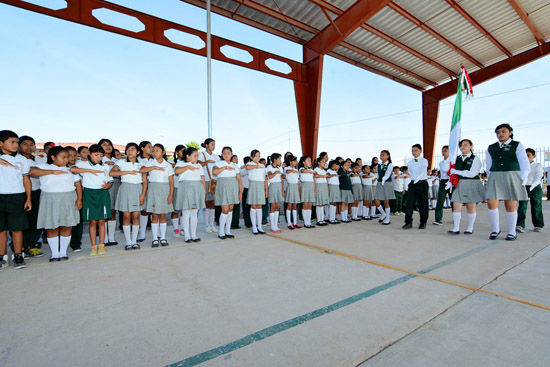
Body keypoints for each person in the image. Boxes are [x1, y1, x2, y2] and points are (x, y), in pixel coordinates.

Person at [30, 146, 81, 261]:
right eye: (63, 157)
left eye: (67, 157)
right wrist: (52, 172)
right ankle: (55, 253)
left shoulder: (70, 170)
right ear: (53, 157)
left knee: (66, 225)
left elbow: (78, 185)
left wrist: (79, 200)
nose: (66, 160)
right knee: (51, 226)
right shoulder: (44, 167)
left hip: (68, 199)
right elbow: (32, 171)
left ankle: (63, 252)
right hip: (50, 200)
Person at [486, 124, 530, 241]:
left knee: (510, 204)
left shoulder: (517, 145)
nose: (500, 134)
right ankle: (496, 229)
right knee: (491, 202)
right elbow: (489, 164)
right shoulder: (491, 147)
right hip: (495, 175)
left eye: (503, 131)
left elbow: (524, 162)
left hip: (512, 175)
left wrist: (523, 178)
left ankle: (512, 231)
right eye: (498, 132)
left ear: (510, 132)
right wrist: (489, 177)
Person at [71, 144, 113, 256]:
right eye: (96, 155)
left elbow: (110, 181)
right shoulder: (82, 164)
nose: (98, 157)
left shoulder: (105, 166)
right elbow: (72, 169)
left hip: (102, 194)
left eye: (100, 155)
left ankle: (102, 245)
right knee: (92, 222)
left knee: (102, 221)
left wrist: (107, 186)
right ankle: (94, 246)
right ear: (90, 153)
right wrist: (89, 170)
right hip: (89, 194)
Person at [0, 130, 31, 269]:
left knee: (16, 229)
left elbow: (26, 179)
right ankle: (2, 256)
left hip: (17, 197)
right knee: (1, 229)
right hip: (1, 196)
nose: (15, 145)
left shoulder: (22, 159)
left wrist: (28, 199)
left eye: (16, 142)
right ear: (1, 143)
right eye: (11, 142)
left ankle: (18, 255)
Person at [110, 143, 146, 251]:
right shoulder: (120, 162)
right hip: (125, 188)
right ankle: (128, 242)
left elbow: (145, 181)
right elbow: (112, 173)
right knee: (126, 216)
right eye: (128, 149)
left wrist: (143, 195)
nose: (130, 151)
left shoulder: (142, 163)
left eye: (133, 149)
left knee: (135, 216)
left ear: (138, 152)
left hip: (137, 190)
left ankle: (134, 241)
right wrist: (128, 172)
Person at [447, 139, 485, 235]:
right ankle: (456, 228)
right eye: (461, 145)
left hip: (471, 183)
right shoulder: (457, 158)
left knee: (470, 206)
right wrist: (450, 181)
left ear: (471, 146)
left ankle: (470, 227)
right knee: (456, 205)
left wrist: (456, 172)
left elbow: (472, 173)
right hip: (459, 183)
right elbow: (451, 171)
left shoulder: (475, 159)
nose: (462, 147)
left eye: (465, 145)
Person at [141, 143, 174, 247]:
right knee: (154, 215)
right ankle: (155, 238)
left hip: (165, 190)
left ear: (163, 152)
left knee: (163, 215)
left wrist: (170, 195)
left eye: (157, 151)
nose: (154, 153)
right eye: (153, 151)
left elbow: (171, 182)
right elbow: (141, 170)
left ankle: (163, 237)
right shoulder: (150, 163)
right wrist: (154, 167)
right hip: (153, 190)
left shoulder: (168, 165)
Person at [18, 135, 44, 258]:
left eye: (31, 144)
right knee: (21, 222)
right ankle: (21, 247)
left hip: (36, 193)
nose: (29, 147)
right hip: (21, 194)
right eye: (25, 144)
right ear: (18, 146)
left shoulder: (37, 160)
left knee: (35, 221)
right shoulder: (17, 161)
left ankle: (32, 245)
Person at [174, 147, 206, 243]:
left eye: (197, 156)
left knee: (194, 212)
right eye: (195, 156)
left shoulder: (199, 166)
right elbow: (176, 171)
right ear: (188, 156)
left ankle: (194, 234)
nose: (196, 158)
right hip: (185, 188)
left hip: (197, 188)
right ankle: (187, 235)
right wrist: (188, 167)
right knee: (186, 212)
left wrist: (203, 192)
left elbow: (203, 179)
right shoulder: (181, 163)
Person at [212, 146, 242, 239]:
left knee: (230, 209)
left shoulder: (235, 165)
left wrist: (240, 192)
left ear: (231, 154)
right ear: (221, 154)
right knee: (224, 210)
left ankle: (228, 231)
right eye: (224, 153)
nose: (226, 155)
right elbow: (214, 171)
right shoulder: (219, 163)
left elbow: (239, 179)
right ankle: (221, 231)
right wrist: (225, 167)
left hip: (233, 187)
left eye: (228, 153)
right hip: (223, 187)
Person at [517, 148, 544, 233]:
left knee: (536, 206)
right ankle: (520, 224)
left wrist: (533, 185)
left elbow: (538, 176)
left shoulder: (537, 165)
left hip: (535, 187)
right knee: (522, 206)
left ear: (534, 156)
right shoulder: (521, 166)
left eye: (528, 156)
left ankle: (538, 225)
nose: (526, 158)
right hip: (523, 187)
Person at [403, 144, 429, 229]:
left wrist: (417, 180)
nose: (414, 152)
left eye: (416, 150)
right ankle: (408, 222)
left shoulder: (424, 161)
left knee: (423, 204)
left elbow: (422, 172)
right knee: (409, 203)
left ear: (420, 151)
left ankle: (423, 222)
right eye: (412, 150)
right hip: (413, 183)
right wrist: (413, 181)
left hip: (422, 183)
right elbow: (410, 173)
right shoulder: (410, 162)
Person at [99, 138, 119, 247]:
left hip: (117, 185)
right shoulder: (99, 160)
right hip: (106, 185)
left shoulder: (117, 160)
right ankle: (105, 238)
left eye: (109, 144)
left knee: (113, 211)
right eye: (104, 144)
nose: (107, 146)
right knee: (105, 211)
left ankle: (111, 237)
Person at [198, 138, 219, 233]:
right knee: (206, 202)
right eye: (211, 144)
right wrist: (207, 162)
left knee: (212, 203)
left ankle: (212, 224)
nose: (213, 146)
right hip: (205, 180)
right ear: (206, 145)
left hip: (214, 181)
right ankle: (206, 225)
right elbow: (198, 164)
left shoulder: (216, 156)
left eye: (214, 144)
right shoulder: (201, 155)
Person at [246, 150, 267, 235]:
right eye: (255, 156)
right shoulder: (249, 164)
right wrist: (256, 166)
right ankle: (254, 227)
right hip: (253, 185)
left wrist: (266, 189)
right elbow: (248, 168)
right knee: (253, 206)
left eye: (258, 156)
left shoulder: (262, 166)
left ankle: (260, 226)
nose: (257, 158)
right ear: (251, 157)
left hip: (261, 185)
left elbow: (265, 178)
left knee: (259, 206)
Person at [137, 141, 153, 242]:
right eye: (149, 147)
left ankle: (158, 232)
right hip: (142, 185)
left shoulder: (154, 159)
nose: (151, 149)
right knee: (143, 210)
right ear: (142, 149)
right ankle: (142, 233)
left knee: (155, 209)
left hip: (154, 185)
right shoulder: (138, 160)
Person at [373, 150, 394, 225]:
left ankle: (388, 219)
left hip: (387, 183)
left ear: (388, 156)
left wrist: (382, 181)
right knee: (376, 201)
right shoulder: (378, 165)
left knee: (386, 201)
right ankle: (383, 214)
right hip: (379, 183)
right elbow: (378, 175)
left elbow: (387, 175)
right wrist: (378, 182)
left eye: (383, 155)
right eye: (381, 155)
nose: (381, 156)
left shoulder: (390, 165)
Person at [266, 153, 285, 233]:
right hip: (273, 186)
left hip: (279, 186)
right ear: (274, 160)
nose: (280, 161)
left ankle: (276, 225)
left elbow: (281, 178)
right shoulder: (269, 167)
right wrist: (276, 172)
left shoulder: (279, 168)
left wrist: (282, 189)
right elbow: (270, 176)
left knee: (277, 206)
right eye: (279, 159)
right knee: (273, 206)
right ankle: (272, 226)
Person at [171, 144, 186, 237]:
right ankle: (176, 229)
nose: (184, 153)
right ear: (177, 152)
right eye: (182, 151)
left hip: (185, 187)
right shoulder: (171, 162)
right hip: (175, 187)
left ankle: (183, 228)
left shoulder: (187, 162)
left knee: (184, 210)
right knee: (175, 210)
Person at [434, 145, 451, 225]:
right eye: (442, 151)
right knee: (440, 199)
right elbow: (444, 170)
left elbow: (447, 170)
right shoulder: (441, 162)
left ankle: (456, 217)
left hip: (451, 180)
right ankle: (438, 218)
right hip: (443, 181)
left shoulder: (452, 161)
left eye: (445, 151)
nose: (443, 152)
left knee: (453, 200)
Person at [284, 155, 300, 230]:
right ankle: (289, 223)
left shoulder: (296, 170)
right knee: (289, 204)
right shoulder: (287, 168)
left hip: (295, 186)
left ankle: (295, 222)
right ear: (290, 162)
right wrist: (291, 170)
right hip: (290, 186)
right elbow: (286, 172)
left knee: (295, 205)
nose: (296, 162)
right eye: (295, 161)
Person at [240, 156, 252, 229]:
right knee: (246, 207)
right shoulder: (242, 169)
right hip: (245, 189)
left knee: (252, 206)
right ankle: (247, 222)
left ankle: (252, 221)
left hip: (252, 188)